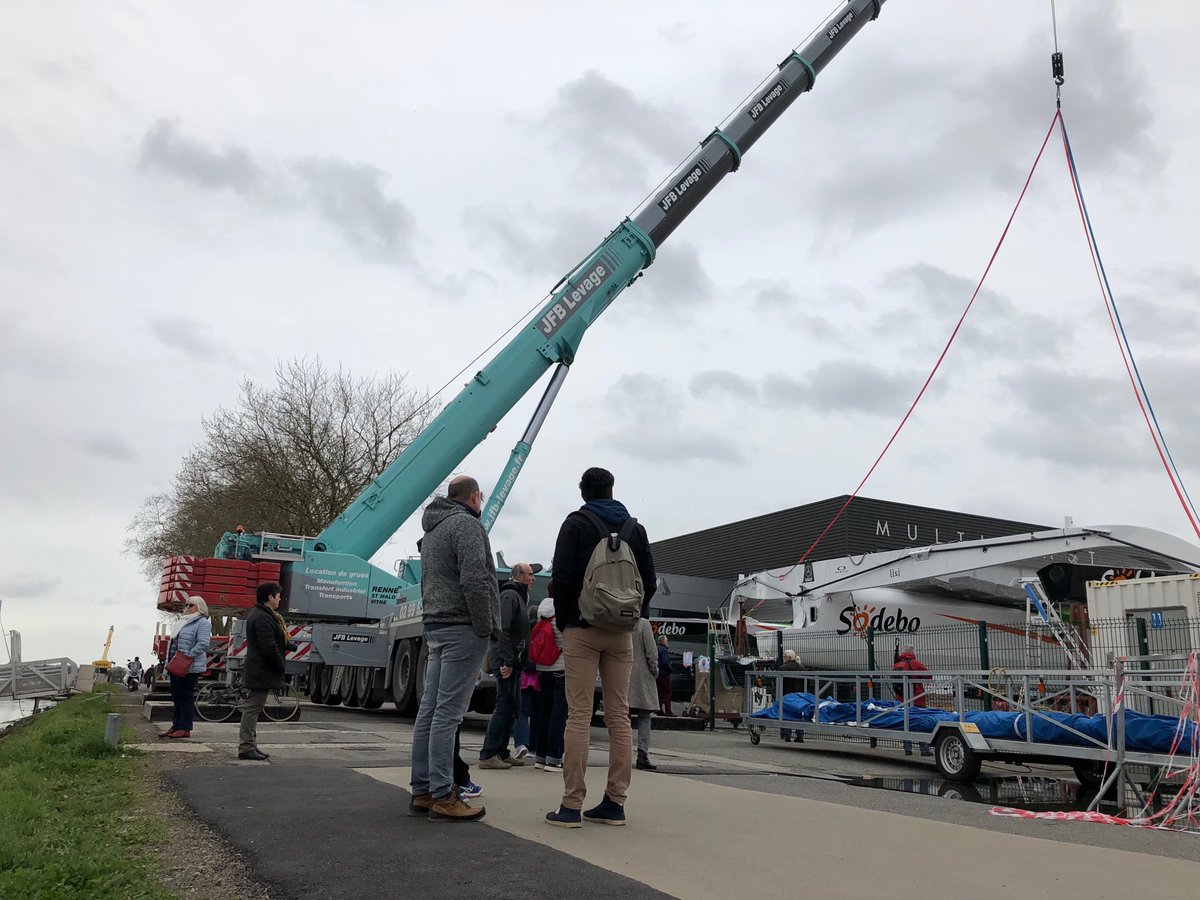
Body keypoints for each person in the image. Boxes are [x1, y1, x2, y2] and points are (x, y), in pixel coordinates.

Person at [545, 466, 656, 828]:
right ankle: (614, 802)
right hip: (622, 632)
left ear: (583, 493)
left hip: (582, 627)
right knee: (619, 716)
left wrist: (566, 619)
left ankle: (571, 804)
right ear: (612, 490)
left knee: (578, 714)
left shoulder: (575, 524)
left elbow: (560, 577)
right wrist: (633, 616)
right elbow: (650, 581)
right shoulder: (634, 528)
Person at [408, 475, 500, 823]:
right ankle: (445, 794)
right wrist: (485, 626)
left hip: (435, 625)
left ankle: (423, 790)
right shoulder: (466, 526)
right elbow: (476, 578)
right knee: (449, 713)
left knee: (430, 711)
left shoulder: (432, 531)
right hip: (463, 627)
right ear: (475, 497)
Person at [479, 563, 533, 768]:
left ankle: (501, 752)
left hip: (513, 662)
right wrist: (507, 661)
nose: (533, 578)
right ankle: (488, 754)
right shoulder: (510, 596)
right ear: (519, 576)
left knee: (512, 707)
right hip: (506, 662)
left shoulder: (518, 597)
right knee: (504, 706)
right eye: (530, 575)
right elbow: (504, 630)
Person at [238, 581, 288, 761]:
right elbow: (268, 645)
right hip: (261, 669)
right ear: (270, 597)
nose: (280, 599)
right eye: (278, 596)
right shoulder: (262, 616)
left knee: (254, 707)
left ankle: (251, 744)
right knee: (252, 708)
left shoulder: (263, 614)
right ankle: (246, 747)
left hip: (260, 668)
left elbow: (271, 640)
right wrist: (280, 665)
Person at [160, 597, 212, 739]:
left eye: (191, 605)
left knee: (186, 696)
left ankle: (185, 727)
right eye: (187, 604)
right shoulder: (182, 622)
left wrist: (188, 656)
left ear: (200, 607)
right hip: (175, 664)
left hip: (189, 666)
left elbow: (203, 643)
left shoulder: (202, 623)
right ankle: (176, 725)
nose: (187, 607)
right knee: (176, 696)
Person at [530, 597, 567, 771]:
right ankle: (554, 757)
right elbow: (565, 639)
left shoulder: (541, 610)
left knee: (543, 712)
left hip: (542, 666)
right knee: (558, 713)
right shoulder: (563, 608)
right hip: (560, 665)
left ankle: (540, 756)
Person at [628, 618, 659, 771]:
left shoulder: (618, 621)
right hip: (642, 675)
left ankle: (621, 753)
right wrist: (655, 670)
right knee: (645, 716)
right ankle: (642, 755)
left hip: (622, 673)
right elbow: (651, 651)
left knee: (621, 716)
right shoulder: (643, 624)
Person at [892, 643, 932, 757]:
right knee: (921, 723)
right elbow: (929, 676)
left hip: (902, 700)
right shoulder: (915, 663)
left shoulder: (896, 664)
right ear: (912, 652)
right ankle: (924, 749)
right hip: (917, 698)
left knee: (906, 723)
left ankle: (907, 748)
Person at [779, 649, 804, 743]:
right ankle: (800, 735)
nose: (783, 658)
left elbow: (781, 683)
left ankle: (787, 735)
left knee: (787, 715)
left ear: (788, 657)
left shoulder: (783, 668)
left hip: (787, 695)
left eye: (784, 657)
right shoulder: (802, 667)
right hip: (800, 695)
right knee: (799, 715)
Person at [656, 635, 673, 716]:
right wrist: (670, 668)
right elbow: (665, 662)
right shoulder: (664, 651)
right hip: (664, 674)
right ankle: (668, 710)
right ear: (663, 641)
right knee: (667, 692)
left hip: (657, 673)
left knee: (659, 692)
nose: (667, 642)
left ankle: (659, 709)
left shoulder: (656, 649)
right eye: (667, 641)